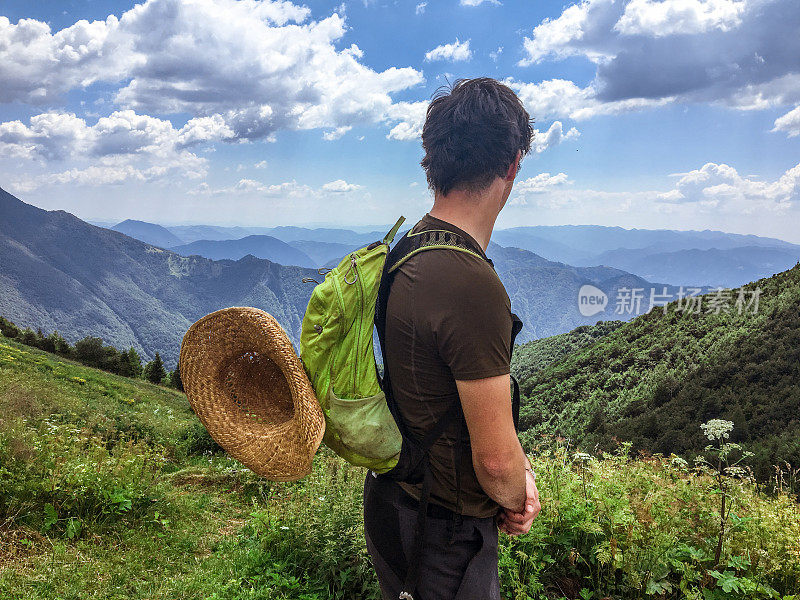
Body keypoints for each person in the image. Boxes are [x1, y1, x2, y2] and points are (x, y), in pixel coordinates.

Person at [363, 77, 542, 600]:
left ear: (433, 159)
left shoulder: (407, 249)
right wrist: (519, 494)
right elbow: (494, 461)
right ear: (512, 165)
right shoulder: (470, 283)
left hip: (394, 501)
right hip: (444, 532)